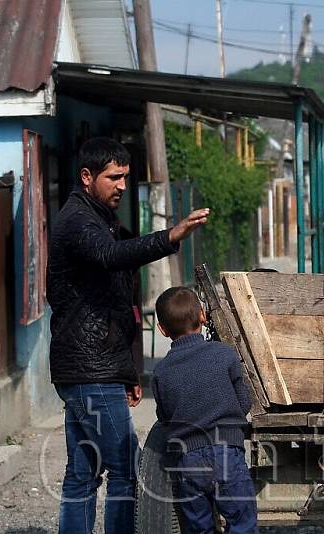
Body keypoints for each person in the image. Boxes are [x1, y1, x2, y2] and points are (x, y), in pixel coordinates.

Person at [47, 137, 211, 534]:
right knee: (124, 469)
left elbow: (115, 304)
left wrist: (127, 372)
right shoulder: (78, 221)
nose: (121, 185)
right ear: (87, 177)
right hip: (90, 373)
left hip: (91, 369)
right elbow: (111, 256)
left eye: (125, 176)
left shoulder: (96, 216)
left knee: (82, 474)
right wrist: (169, 237)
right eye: (113, 177)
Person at [152, 286, 257, 534]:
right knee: (242, 522)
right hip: (227, 455)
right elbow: (244, 401)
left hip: (188, 460)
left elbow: (164, 417)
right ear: (203, 315)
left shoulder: (161, 371)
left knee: (198, 527)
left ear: (162, 329)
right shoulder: (224, 354)